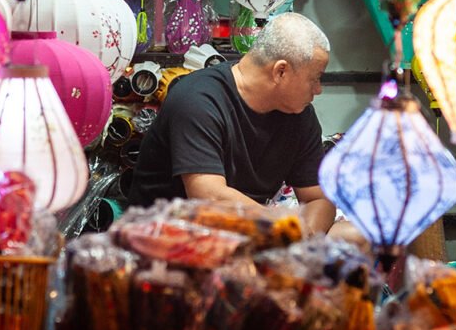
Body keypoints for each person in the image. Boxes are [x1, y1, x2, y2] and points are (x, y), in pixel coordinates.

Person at [123, 12, 339, 233]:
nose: (318, 89)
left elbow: (318, 198)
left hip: (247, 238)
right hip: (164, 239)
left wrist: (306, 245)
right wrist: (285, 232)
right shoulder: (198, 100)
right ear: (280, 71)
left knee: (352, 236)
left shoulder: (299, 115)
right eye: (315, 78)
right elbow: (209, 198)